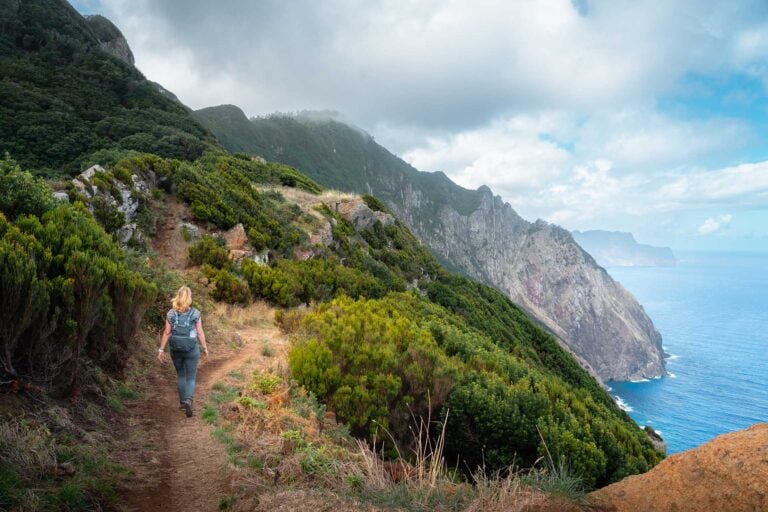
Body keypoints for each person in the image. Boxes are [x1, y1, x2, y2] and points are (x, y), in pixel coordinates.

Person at [157, 286, 208, 417]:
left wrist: (161, 349)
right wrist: (205, 347)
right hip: (191, 349)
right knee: (191, 377)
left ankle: (182, 403)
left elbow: (167, 332)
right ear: (189, 297)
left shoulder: (171, 313)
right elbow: (200, 332)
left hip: (175, 349)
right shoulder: (196, 313)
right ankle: (189, 400)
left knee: (181, 375)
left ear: (178, 296)